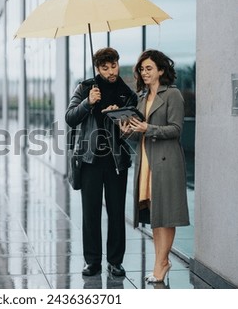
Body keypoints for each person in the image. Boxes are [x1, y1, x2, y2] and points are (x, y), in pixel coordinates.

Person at [65, 47, 138, 277]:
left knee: (116, 213)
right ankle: (92, 261)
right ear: (98, 68)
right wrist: (88, 102)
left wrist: (121, 118)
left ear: (118, 63)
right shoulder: (85, 87)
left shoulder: (127, 93)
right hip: (89, 160)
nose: (110, 72)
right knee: (91, 213)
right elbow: (69, 118)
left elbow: (132, 128)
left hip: (116, 160)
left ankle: (115, 262)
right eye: (105, 68)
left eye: (113, 66)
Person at [122, 49, 190, 283]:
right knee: (155, 214)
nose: (144, 72)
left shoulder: (173, 95)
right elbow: (136, 134)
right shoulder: (141, 98)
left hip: (166, 163)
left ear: (161, 70)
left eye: (149, 68)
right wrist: (126, 131)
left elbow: (176, 129)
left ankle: (161, 263)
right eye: (142, 69)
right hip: (146, 162)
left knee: (166, 214)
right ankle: (160, 262)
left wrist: (147, 129)